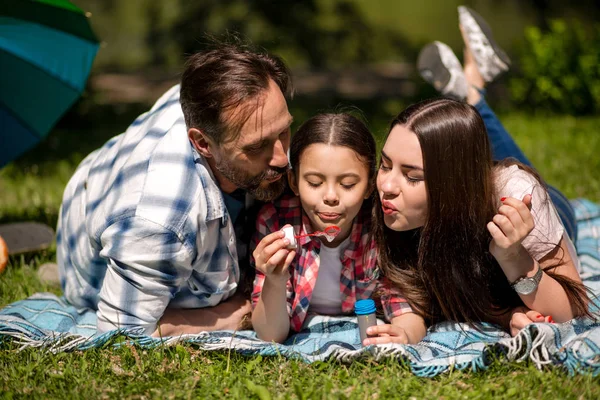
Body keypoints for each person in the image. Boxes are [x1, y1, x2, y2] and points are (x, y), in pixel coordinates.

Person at [364, 6, 590, 345]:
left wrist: (514, 256)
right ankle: (472, 92)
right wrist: (506, 314)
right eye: (385, 164)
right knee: (465, 141)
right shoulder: (390, 205)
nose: (386, 185)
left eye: (412, 176)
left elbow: (572, 308)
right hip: (470, 185)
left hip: (546, 210)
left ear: (453, 184)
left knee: (511, 168)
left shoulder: (514, 199)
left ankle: (472, 94)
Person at [56, 41, 294, 336]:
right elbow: (122, 332)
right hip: (93, 262)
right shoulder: (160, 221)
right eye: (257, 146)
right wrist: (234, 312)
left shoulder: (208, 98)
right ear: (203, 143)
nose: (283, 158)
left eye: (284, 131)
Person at [250, 114, 419, 343]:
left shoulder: (379, 228)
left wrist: (406, 335)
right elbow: (270, 335)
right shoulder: (276, 222)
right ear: (293, 182)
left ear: (370, 186)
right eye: (315, 183)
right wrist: (274, 280)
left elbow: (404, 308)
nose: (330, 197)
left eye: (347, 184)